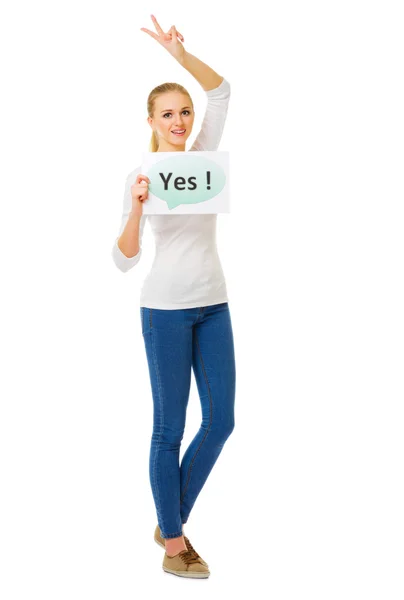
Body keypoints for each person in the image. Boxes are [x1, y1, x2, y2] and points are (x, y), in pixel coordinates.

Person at [111, 15, 236, 579]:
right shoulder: (143, 174)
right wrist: (137, 207)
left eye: (184, 112)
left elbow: (222, 90)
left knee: (222, 420)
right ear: (151, 122)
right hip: (163, 310)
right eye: (169, 114)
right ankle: (175, 543)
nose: (181, 121)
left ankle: (168, 518)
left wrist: (179, 56)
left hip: (214, 303)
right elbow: (124, 258)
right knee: (170, 426)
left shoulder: (205, 154)